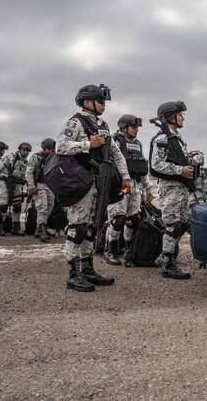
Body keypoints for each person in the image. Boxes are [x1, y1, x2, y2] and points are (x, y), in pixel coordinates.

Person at [55, 84, 131, 292]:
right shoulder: (76, 122)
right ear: (88, 102)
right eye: (101, 101)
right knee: (78, 227)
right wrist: (88, 144)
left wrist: (125, 176)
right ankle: (73, 273)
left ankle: (88, 269)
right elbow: (60, 145)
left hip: (99, 182)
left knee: (92, 226)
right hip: (80, 182)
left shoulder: (103, 125)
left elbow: (116, 152)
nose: (104, 105)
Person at [149, 100, 194, 280]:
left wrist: (187, 157)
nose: (183, 117)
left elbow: (173, 158)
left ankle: (164, 256)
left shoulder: (176, 138)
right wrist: (179, 170)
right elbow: (156, 163)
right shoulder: (162, 138)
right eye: (180, 114)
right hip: (169, 188)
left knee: (183, 223)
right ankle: (168, 263)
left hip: (180, 187)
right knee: (172, 225)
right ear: (170, 116)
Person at [103, 114, 154, 266]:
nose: (136, 130)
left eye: (137, 127)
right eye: (133, 127)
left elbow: (141, 167)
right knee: (118, 219)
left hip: (136, 185)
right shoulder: (115, 141)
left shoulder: (137, 143)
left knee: (134, 219)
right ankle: (110, 250)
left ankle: (128, 250)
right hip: (120, 185)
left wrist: (148, 187)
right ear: (124, 127)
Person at [0, 142, 31, 236]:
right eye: (24, 150)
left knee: (17, 206)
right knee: (3, 206)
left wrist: (29, 188)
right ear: (20, 149)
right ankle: (0, 227)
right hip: (4, 183)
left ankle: (15, 228)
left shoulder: (26, 162)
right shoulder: (9, 157)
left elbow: (27, 176)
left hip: (17, 185)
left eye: (28, 151)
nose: (26, 152)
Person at [26, 138, 56, 242]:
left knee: (50, 206)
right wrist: (32, 187)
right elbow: (29, 172)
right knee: (42, 207)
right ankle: (42, 229)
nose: (51, 151)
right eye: (50, 149)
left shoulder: (53, 158)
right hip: (39, 185)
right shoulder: (36, 157)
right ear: (45, 148)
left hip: (50, 186)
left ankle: (39, 228)